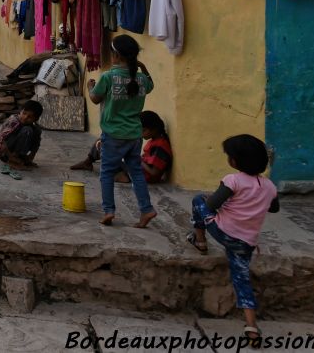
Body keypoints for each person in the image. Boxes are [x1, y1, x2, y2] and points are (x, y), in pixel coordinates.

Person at [188, 135, 279, 347]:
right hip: (246, 243)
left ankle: (199, 240)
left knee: (198, 200)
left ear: (235, 161)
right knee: (242, 279)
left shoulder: (233, 180)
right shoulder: (270, 187)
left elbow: (211, 205)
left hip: (223, 232)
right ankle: (252, 327)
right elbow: (274, 208)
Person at [87, 35, 157, 228]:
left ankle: (109, 211)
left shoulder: (108, 77)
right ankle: (146, 209)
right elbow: (150, 84)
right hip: (134, 134)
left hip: (113, 133)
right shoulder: (141, 79)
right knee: (136, 173)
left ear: (116, 55)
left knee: (107, 173)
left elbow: (94, 98)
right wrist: (142, 67)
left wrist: (90, 86)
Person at [70, 111, 173, 184]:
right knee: (105, 143)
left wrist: (135, 158)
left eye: (142, 131)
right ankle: (90, 163)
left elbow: (154, 172)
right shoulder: (156, 140)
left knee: (105, 148)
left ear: (152, 129)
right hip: (138, 169)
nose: (140, 134)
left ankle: (122, 175)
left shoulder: (160, 145)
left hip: (141, 175)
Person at [0, 100, 44, 180]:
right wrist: (11, 157)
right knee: (27, 130)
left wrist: (30, 157)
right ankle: (13, 161)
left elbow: (37, 142)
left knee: (36, 130)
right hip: (5, 152)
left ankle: (20, 158)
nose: (25, 117)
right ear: (20, 111)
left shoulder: (34, 126)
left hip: (16, 151)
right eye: (24, 113)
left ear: (36, 119)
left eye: (30, 117)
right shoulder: (14, 121)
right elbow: (0, 138)